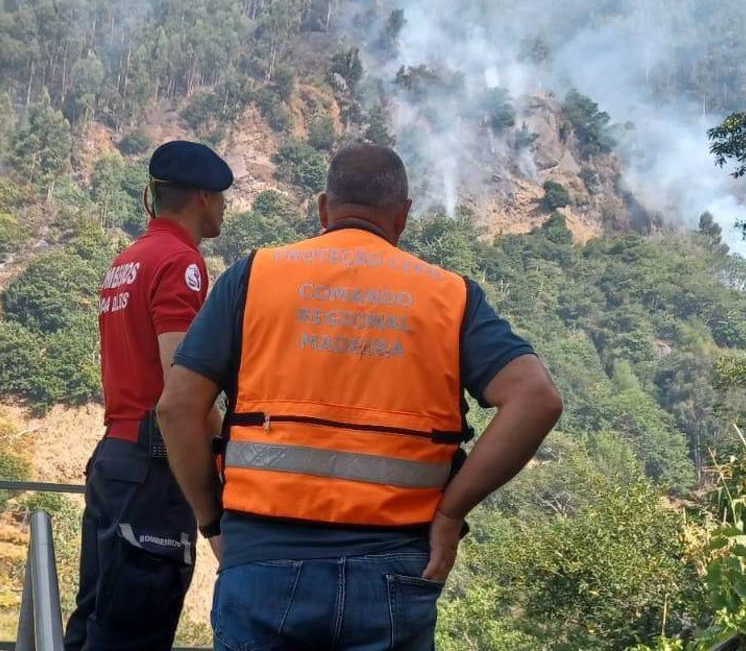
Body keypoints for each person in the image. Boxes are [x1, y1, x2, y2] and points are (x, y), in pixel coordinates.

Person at [157, 143, 563, 651]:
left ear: (324, 207)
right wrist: (451, 512)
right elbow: (536, 398)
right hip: (394, 568)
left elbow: (176, 407)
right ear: (404, 215)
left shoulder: (255, 275)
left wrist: (211, 520)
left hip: (263, 559)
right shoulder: (450, 296)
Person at [63, 140, 232, 651]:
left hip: (114, 459)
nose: (225, 207)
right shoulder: (181, 262)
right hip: (153, 467)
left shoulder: (128, 260)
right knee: (136, 628)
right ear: (203, 197)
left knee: (95, 618)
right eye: (222, 197)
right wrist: (226, 449)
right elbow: (181, 386)